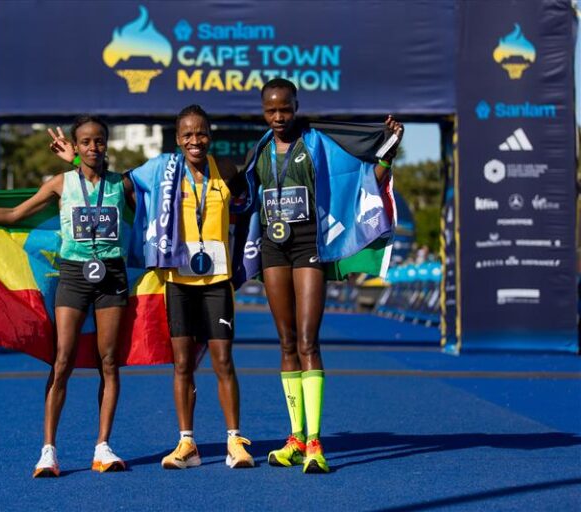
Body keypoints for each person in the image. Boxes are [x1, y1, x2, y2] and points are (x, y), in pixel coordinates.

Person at [0, 116, 135, 477]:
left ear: (106, 144)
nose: (94, 147)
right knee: (63, 361)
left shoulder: (122, 186)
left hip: (112, 276)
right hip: (74, 276)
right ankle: (48, 451)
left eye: (99, 141)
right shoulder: (60, 184)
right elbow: (14, 214)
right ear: (76, 147)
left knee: (109, 362)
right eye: (86, 142)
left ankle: (103, 446)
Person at [247, 79, 403, 473]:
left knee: (307, 340)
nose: (279, 117)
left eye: (285, 109)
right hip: (272, 249)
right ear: (263, 111)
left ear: (296, 106)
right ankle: (295, 438)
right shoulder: (260, 150)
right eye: (271, 110)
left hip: (307, 247)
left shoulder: (318, 144)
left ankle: (315, 441)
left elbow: (364, 182)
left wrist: (387, 154)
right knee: (284, 343)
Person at [125, 105, 255, 469]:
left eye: (201, 134)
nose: (195, 141)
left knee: (223, 361)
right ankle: (187, 444)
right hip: (178, 281)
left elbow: (251, 207)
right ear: (177, 139)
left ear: (209, 136)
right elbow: (119, 187)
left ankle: (235, 441)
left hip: (216, 282)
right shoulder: (163, 171)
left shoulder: (226, 171)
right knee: (182, 364)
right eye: (187, 135)